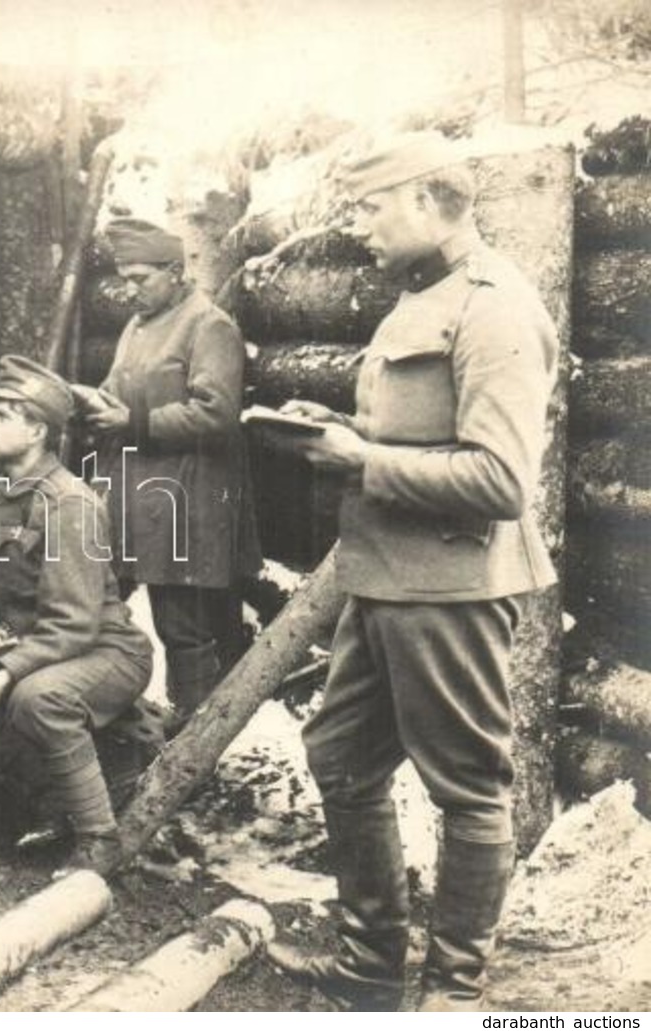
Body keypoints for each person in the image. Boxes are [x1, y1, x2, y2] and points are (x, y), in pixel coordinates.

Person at [263, 133, 559, 1010]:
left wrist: (360, 461)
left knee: (466, 788)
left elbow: (500, 481)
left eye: (368, 206)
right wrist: (339, 430)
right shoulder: (419, 296)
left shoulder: (494, 305)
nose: (356, 225)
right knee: (341, 758)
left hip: (450, 585)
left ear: (429, 202)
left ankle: (452, 990)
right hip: (381, 578)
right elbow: (418, 432)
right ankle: (368, 966)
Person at [0, 354, 153, 874]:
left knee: (37, 699)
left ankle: (99, 841)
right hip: (43, 648)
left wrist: (4, 672)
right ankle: (57, 797)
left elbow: (74, 623)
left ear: (36, 430)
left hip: (106, 651)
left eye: (2, 415)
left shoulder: (69, 505)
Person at [73, 218, 260, 722]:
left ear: (175, 271)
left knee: (183, 622)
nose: (128, 290)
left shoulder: (209, 325)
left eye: (141, 278)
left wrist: (132, 421)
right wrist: (92, 402)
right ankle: (108, 712)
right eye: (123, 278)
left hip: (187, 493)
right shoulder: (138, 325)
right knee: (97, 599)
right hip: (136, 490)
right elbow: (115, 387)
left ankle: (194, 734)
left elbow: (216, 416)